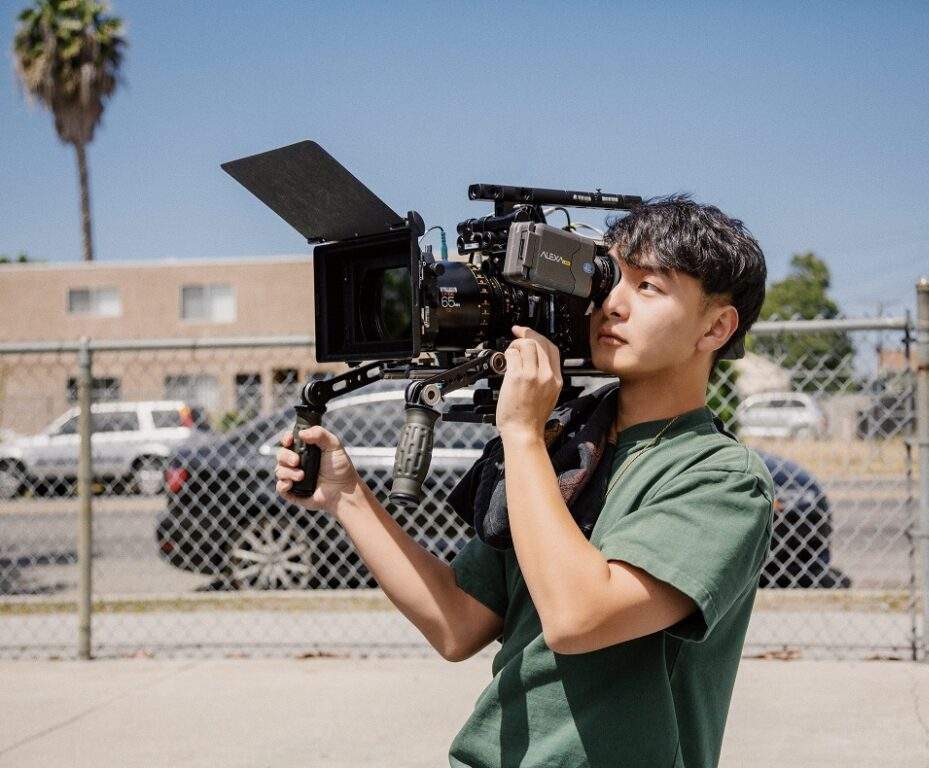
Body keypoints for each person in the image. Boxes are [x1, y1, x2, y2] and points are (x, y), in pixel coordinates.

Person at [275, 195, 772, 768]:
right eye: (610, 278)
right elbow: (457, 623)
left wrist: (523, 433)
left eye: (649, 287)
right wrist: (347, 497)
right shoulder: (568, 441)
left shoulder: (722, 478)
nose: (612, 304)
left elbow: (578, 618)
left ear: (716, 327)